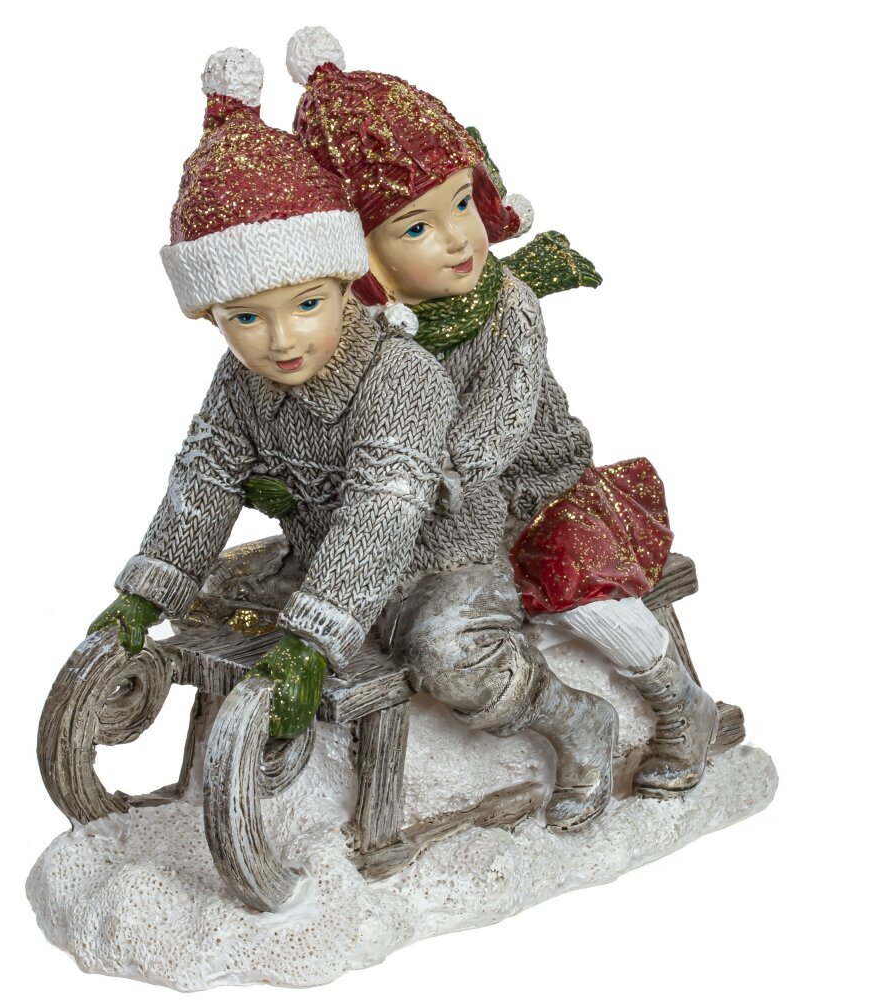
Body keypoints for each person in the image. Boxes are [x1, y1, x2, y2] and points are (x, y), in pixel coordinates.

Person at [89, 47, 618, 830]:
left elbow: (382, 510)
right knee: (221, 597)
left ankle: (577, 721)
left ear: (345, 283)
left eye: (306, 305)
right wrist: (144, 593)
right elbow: (202, 476)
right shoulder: (240, 383)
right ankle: (255, 762)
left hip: (438, 552)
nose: (280, 340)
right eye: (246, 317)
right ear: (212, 316)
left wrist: (313, 636)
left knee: (450, 654)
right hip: (321, 553)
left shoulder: (399, 375)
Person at [286, 26, 718, 798]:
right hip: (423, 519)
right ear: (361, 254)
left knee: (581, 589)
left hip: (532, 490)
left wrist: (443, 477)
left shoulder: (506, 308)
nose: (459, 238)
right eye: (418, 226)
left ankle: (678, 700)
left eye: (462, 203)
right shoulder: (356, 333)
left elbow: (503, 417)